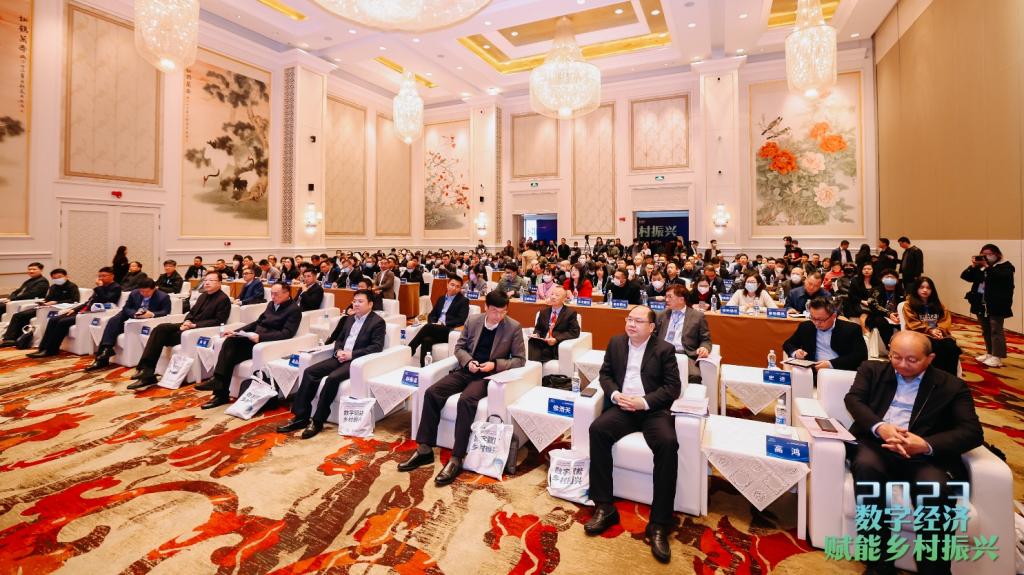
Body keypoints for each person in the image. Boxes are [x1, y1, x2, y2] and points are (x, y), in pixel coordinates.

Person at [843, 331, 983, 575]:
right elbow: (854, 400)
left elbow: (972, 432)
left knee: (936, 489)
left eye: (912, 360)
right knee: (867, 470)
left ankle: (934, 569)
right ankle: (878, 563)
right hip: (877, 445)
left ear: (930, 358)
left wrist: (925, 444)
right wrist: (881, 427)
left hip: (922, 455)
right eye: (896, 357)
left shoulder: (952, 386)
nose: (902, 364)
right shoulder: (871, 370)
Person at [398, 291, 525, 486]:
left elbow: (520, 359)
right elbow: (459, 348)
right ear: (486, 308)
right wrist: (468, 362)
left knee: (466, 400)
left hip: (488, 376)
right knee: (432, 393)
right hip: (467, 370)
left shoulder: (513, 327)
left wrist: (495, 364)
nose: (498, 316)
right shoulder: (473, 321)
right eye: (494, 311)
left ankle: (457, 457)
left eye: (503, 312)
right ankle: (424, 449)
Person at [585, 305, 680, 563]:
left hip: (652, 410)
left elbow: (673, 388)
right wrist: (616, 395)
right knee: (597, 430)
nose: (631, 324)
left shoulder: (664, 349)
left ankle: (659, 523)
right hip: (622, 407)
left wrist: (644, 402)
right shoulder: (616, 342)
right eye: (629, 319)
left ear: (651, 327)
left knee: (668, 443)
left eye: (638, 321)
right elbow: (605, 375)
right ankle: (604, 506)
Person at [277, 289, 387, 438]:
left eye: (360, 301)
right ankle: (301, 417)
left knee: (332, 379)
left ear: (370, 304)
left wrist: (351, 355)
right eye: (354, 301)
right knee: (310, 372)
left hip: (356, 361)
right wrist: (338, 351)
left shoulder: (377, 322)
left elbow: (376, 347)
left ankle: (318, 421)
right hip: (340, 357)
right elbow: (339, 339)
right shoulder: (349, 319)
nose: (356, 304)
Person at [196, 282, 302, 410]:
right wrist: (236, 331)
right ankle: (220, 391)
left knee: (229, 354)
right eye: (271, 294)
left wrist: (260, 337)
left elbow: (287, 333)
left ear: (287, 293)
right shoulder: (271, 304)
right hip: (253, 338)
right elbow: (257, 323)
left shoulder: (294, 310)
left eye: (276, 294)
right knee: (229, 343)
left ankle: (219, 388)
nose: (273, 297)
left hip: (266, 344)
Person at [128, 271, 232, 389]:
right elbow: (191, 313)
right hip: (188, 325)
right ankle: (146, 370)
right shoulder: (203, 296)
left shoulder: (223, 299)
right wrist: (187, 321)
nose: (207, 283)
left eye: (211, 280)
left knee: (160, 337)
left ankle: (147, 375)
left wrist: (194, 325)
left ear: (219, 283)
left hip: (198, 331)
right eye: (206, 280)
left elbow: (219, 321)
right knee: (160, 328)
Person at [27, 267, 122, 358]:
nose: (101, 278)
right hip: (85, 310)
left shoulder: (116, 287)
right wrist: (74, 309)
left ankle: (51, 350)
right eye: (99, 276)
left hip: (95, 313)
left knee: (62, 322)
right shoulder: (100, 288)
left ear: (112, 276)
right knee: (53, 320)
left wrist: (99, 287)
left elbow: (107, 299)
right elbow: (88, 302)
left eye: (104, 276)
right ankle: (43, 348)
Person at [85, 279, 171, 371]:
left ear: (154, 289)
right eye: (142, 291)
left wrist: (152, 314)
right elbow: (126, 308)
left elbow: (166, 311)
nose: (144, 294)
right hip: (133, 317)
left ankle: (104, 355)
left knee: (115, 326)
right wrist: (135, 314)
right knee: (113, 321)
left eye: (147, 292)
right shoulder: (134, 293)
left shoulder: (163, 297)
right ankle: (106, 350)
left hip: (147, 322)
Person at [961, 244, 1015, 368]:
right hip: (981, 303)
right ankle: (990, 353)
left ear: (997, 254)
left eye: (989, 254)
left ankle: (997, 356)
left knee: (996, 329)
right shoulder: (981, 267)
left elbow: (1000, 277)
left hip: (997, 304)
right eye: (983, 254)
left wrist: (986, 266)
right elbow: (965, 277)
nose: (986, 257)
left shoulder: (1006, 266)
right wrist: (973, 266)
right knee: (986, 330)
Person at [782, 297, 868, 371]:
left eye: (821, 320)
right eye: (813, 318)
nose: (816, 323)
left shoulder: (851, 329)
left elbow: (860, 356)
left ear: (833, 316)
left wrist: (830, 364)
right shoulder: (806, 326)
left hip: (839, 371)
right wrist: (796, 352)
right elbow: (788, 344)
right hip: (813, 370)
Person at [0, 268, 79, 347]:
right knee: (18, 315)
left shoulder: (72, 286)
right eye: (54, 278)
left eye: (59, 277)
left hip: (57, 308)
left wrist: (56, 302)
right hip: (46, 306)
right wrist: (44, 302)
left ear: (66, 276)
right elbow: (48, 298)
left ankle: (10, 339)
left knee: (22, 316)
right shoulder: (53, 287)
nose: (57, 279)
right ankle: (11, 338)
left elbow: (75, 300)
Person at [901, 277, 962, 375]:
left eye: (928, 288)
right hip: (920, 334)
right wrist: (929, 330)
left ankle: (950, 377)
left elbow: (945, 320)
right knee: (934, 347)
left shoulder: (939, 304)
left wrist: (940, 330)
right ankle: (935, 376)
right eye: (921, 287)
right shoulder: (909, 305)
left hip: (938, 334)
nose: (925, 290)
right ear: (916, 289)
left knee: (951, 346)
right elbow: (912, 323)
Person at [408, 278, 470, 366]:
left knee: (428, 327)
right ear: (447, 284)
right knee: (426, 340)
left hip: (449, 331)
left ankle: (410, 349)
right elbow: (431, 315)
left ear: (460, 289)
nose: (454, 288)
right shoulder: (441, 299)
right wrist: (433, 322)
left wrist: (443, 324)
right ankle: (424, 367)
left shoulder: (463, 301)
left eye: (457, 286)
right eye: (452, 285)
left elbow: (461, 320)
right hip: (436, 329)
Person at [656, 285, 711, 382]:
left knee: (694, 376)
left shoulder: (697, 316)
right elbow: (653, 336)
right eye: (666, 296)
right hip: (662, 353)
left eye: (670, 297)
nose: (666, 300)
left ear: (681, 299)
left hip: (685, 354)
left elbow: (705, 339)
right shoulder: (661, 315)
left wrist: (704, 348)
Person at [527, 286, 580, 364]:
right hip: (542, 342)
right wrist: (536, 334)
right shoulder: (543, 312)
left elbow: (575, 332)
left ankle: (533, 366)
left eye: (557, 295)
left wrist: (556, 339)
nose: (553, 297)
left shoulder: (570, 313)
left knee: (542, 353)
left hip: (555, 345)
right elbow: (538, 328)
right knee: (530, 343)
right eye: (552, 294)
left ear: (564, 299)